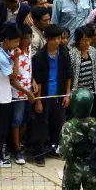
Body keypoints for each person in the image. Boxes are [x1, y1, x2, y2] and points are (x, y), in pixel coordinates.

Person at [0, 25, 35, 168]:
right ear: (7, 40)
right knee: (1, 130)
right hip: (1, 97)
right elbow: (14, 76)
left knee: (1, 128)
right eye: (16, 42)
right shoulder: (0, 56)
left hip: (4, 95)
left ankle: (0, 154)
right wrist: (16, 58)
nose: (17, 44)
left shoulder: (2, 49)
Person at [31, 25, 72, 166]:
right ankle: (39, 154)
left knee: (58, 123)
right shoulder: (40, 56)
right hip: (45, 96)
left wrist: (67, 94)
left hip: (59, 95)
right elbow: (39, 80)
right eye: (54, 38)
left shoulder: (64, 52)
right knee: (41, 125)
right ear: (47, 39)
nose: (57, 41)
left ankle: (54, 149)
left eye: (59, 38)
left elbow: (68, 74)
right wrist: (38, 101)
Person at [9, 25, 35, 165]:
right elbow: (13, 80)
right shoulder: (14, 53)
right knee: (17, 121)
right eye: (26, 38)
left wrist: (34, 81)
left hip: (29, 90)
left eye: (30, 37)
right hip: (19, 93)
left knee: (26, 120)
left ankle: (16, 145)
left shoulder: (29, 49)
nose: (29, 40)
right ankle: (17, 149)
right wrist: (28, 93)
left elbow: (29, 69)